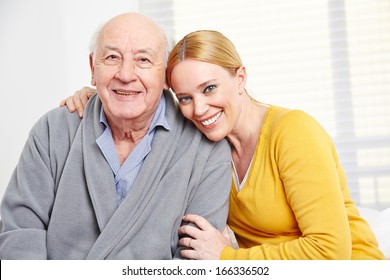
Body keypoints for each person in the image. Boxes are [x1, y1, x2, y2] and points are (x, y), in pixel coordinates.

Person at [63, 30, 385, 260]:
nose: (199, 109)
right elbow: (144, 100)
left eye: (210, 88)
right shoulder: (203, 147)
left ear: (240, 78)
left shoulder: (293, 131)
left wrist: (227, 257)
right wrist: (102, 98)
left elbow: (331, 251)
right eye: (185, 98)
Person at [0, 14, 232, 260]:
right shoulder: (52, 131)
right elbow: (21, 231)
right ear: (92, 68)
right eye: (112, 57)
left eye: (143, 60)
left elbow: (195, 258)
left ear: (166, 75)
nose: (125, 74)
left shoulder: (207, 151)